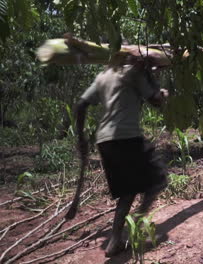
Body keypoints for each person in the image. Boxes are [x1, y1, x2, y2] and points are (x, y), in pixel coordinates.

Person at [75, 58, 168, 257]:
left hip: (105, 141)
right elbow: (156, 100)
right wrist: (157, 85)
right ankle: (136, 220)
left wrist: (81, 138)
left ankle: (115, 240)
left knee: (127, 191)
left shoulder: (103, 75)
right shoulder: (133, 72)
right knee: (158, 179)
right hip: (127, 137)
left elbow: (81, 104)